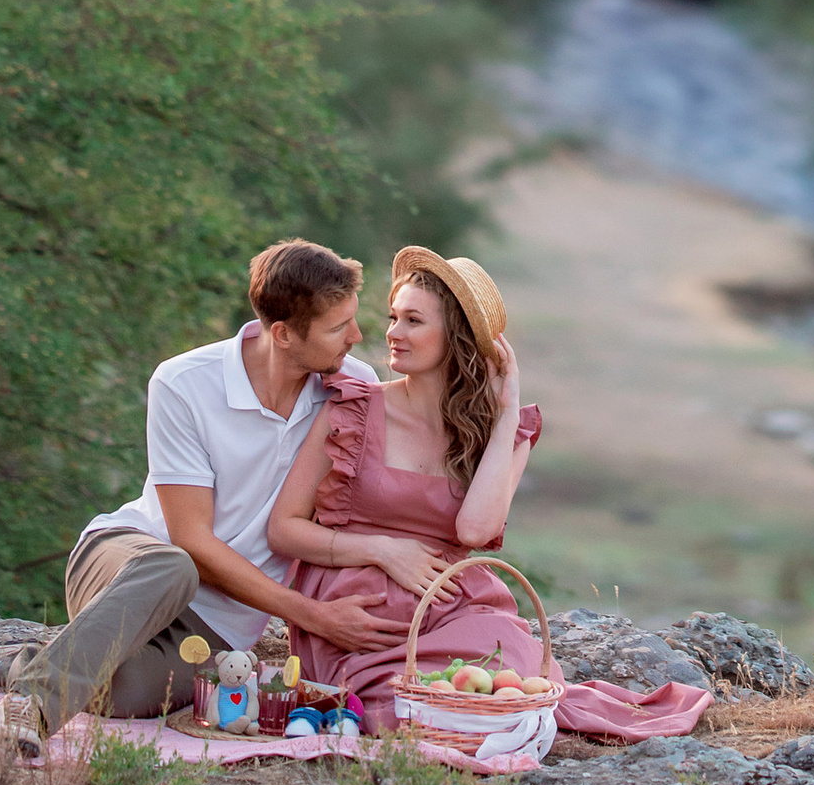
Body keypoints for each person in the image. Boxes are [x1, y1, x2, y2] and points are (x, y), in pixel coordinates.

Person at [266, 242, 709, 741]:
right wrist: (383, 550)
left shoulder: (505, 435)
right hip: (360, 611)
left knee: (507, 676)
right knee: (409, 709)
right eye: (393, 317)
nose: (392, 333)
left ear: (454, 336)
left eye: (413, 320)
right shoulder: (351, 410)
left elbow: (475, 529)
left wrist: (504, 416)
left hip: (456, 605)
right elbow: (283, 529)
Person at [0, 239, 383, 727]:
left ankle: (6, 665)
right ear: (283, 334)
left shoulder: (352, 386)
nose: (356, 335)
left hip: (221, 623)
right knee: (176, 565)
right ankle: (28, 712)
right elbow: (192, 541)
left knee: (118, 698)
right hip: (132, 563)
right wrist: (309, 614)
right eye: (339, 327)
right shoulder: (184, 383)